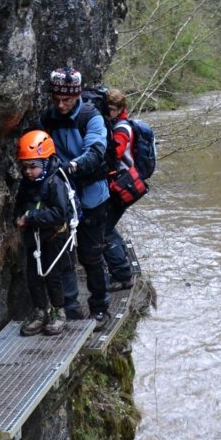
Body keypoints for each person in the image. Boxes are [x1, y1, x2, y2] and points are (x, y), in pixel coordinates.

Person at [40, 67, 111, 331]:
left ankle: (100, 308)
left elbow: (95, 151)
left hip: (92, 197)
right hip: (62, 201)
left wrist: (71, 166)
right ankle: (71, 311)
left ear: (77, 94)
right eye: (56, 99)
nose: (61, 105)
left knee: (91, 256)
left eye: (66, 100)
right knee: (63, 256)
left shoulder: (91, 117)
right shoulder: (48, 118)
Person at [13, 130, 74, 336]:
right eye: (25, 167)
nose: (29, 172)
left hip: (53, 238)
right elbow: (20, 205)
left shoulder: (55, 183)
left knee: (52, 276)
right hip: (34, 238)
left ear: (46, 163)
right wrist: (19, 218)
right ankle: (41, 311)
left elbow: (59, 213)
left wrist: (30, 218)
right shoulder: (27, 184)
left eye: (33, 167)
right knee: (33, 276)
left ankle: (59, 312)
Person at [102, 88, 142, 290]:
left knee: (104, 230)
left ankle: (122, 275)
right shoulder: (117, 124)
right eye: (107, 109)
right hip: (122, 184)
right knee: (106, 227)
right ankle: (121, 266)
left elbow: (113, 156)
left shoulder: (122, 129)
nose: (108, 112)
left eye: (111, 109)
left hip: (120, 186)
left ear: (120, 109)